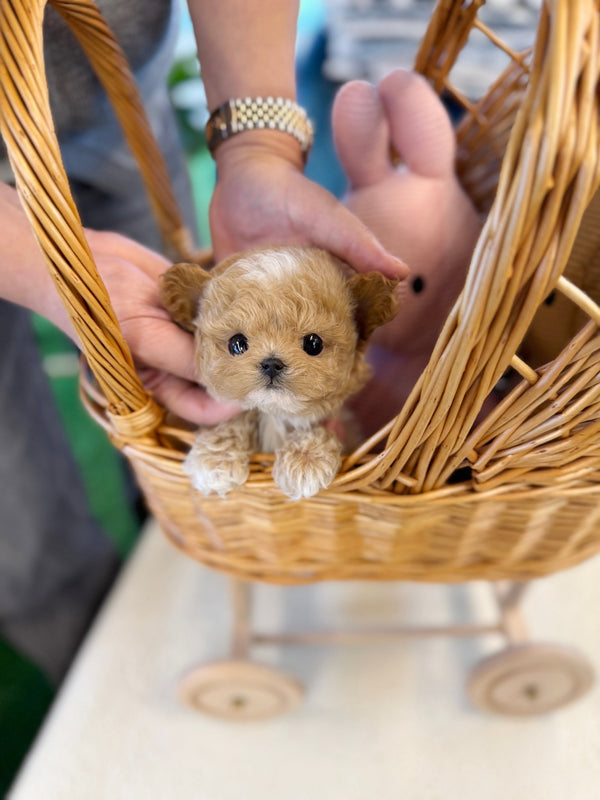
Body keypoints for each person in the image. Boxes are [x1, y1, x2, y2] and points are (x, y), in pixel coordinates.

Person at [0, 0, 408, 688]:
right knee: (18, 500)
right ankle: (97, 677)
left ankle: (184, 559)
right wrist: (30, 255)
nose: (274, 363)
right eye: (248, 341)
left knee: (173, 397)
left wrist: (257, 149)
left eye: (310, 342)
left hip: (117, 87)